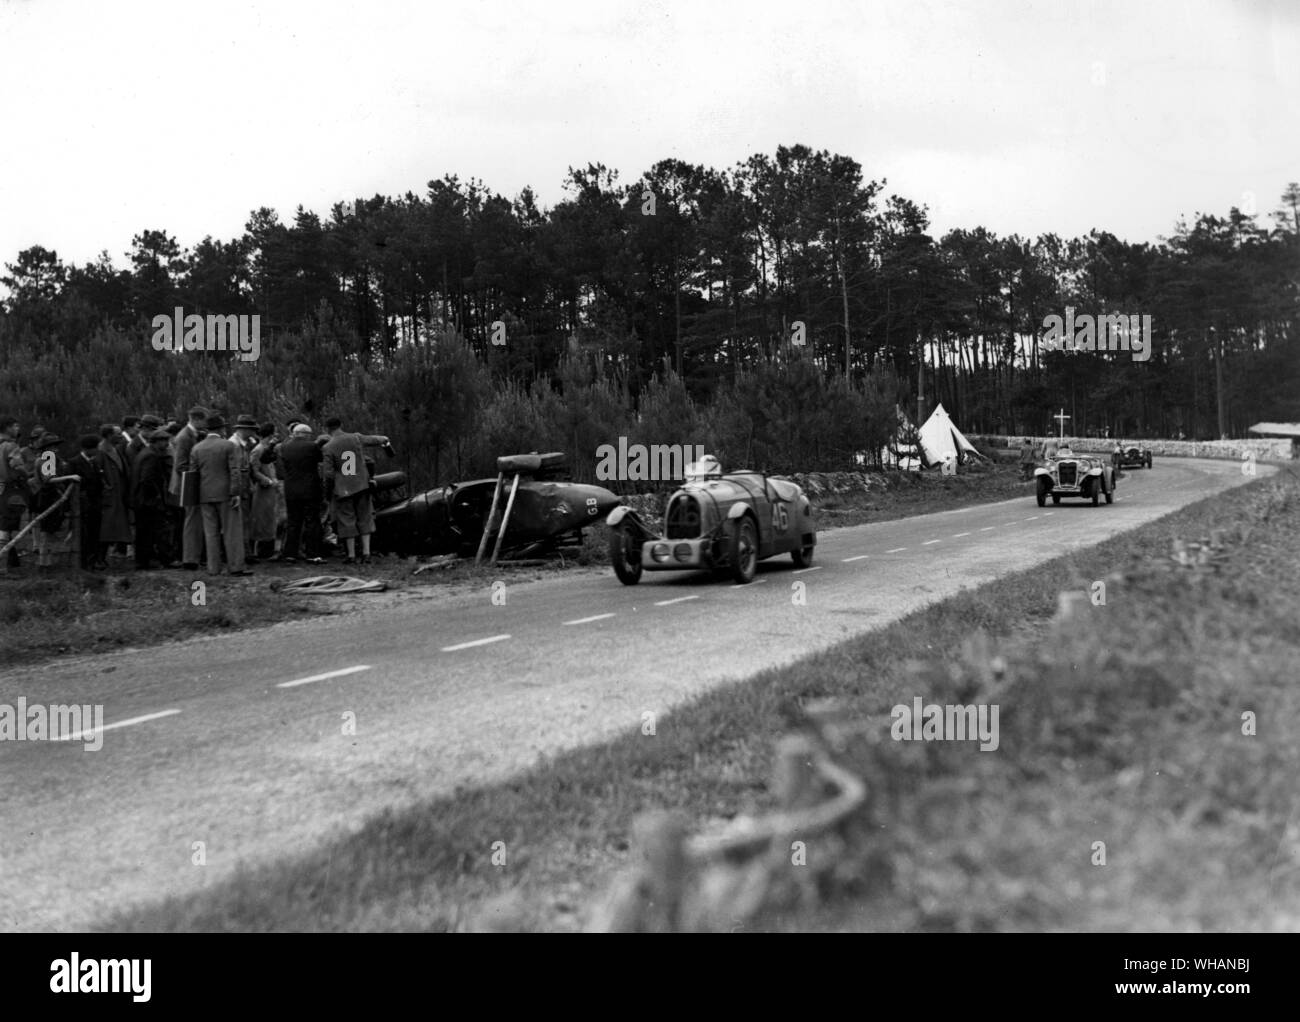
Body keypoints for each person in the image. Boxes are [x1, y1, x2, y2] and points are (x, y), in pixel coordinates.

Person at [321, 416, 389, 565]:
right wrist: (383, 439)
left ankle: (351, 555)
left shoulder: (328, 447)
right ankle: (367, 553)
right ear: (341, 425)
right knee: (365, 518)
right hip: (362, 484)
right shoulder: (355, 438)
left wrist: (328, 492)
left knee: (347, 521)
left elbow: (328, 474)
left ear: (328, 429)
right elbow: (372, 440)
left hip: (343, 488)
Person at [191, 414, 251, 576]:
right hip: (226, 494)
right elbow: (234, 471)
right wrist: (235, 493)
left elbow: (192, 474)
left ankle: (213, 568)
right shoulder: (227, 446)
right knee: (232, 531)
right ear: (221, 429)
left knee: (211, 533)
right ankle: (236, 566)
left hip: (205, 495)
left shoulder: (197, 448)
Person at [277, 422, 324, 563]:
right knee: (312, 521)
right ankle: (312, 554)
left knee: (293, 522)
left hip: (291, 489)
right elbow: (320, 459)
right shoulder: (312, 446)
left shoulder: (284, 447)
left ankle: (290, 553)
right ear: (306, 435)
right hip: (310, 489)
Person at [170, 406, 209, 569]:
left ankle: (191, 555)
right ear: (197, 419)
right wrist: (201, 474)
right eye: (204, 421)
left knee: (191, 522)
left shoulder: (192, 435)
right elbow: (180, 465)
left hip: (189, 484)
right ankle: (187, 557)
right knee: (189, 522)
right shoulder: (184, 437)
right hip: (185, 486)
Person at [132, 430, 174, 569]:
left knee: (143, 532)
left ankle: (143, 561)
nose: (167, 444)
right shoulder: (151, 456)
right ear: (157, 442)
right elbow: (147, 479)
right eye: (165, 441)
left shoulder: (144, 453)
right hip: (148, 501)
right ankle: (164, 560)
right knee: (157, 530)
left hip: (141, 500)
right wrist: (156, 497)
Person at [29, 433, 68, 572]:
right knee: (46, 531)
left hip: (49, 496)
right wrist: (70, 477)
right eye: (53, 446)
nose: (56, 449)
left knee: (49, 530)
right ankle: (44, 563)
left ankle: (46, 561)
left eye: (56, 446)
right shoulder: (47, 459)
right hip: (48, 497)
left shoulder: (49, 459)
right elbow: (48, 479)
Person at [96, 424, 132, 566]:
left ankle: (105, 558)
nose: (121, 436)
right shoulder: (102, 451)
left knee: (112, 528)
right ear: (109, 435)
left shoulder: (114, 449)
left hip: (118, 495)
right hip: (109, 497)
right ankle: (99, 559)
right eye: (117, 434)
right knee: (105, 529)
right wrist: (106, 488)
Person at [69, 434, 105, 570]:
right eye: (96, 448)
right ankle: (83, 563)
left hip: (95, 505)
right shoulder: (74, 463)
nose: (98, 451)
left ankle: (92, 561)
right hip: (83, 506)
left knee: (94, 534)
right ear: (88, 449)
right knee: (84, 535)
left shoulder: (94, 462)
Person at [248, 422, 281, 561]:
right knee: (260, 518)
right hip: (263, 489)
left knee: (268, 518)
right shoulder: (258, 449)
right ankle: (256, 550)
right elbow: (254, 470)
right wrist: (268, 481)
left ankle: (265, 548)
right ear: (271, 434)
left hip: (270, 489)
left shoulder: (267, 449)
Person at [0, 416, 28, 572]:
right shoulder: (11, 446)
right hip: (10, 488)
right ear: (7, 428)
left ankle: (10, 561)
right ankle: (3, 563)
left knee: (3, 525)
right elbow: (16, 466)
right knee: (7, 527)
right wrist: (26, 476)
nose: (18, 429)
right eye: (15, 426)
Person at [230, 415, 258, 562]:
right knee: (240, 521)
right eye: (251, 430)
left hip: (245, 487)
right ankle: (243, 552)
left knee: (246, 520)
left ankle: (246, 551)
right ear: (244, 430)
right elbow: (235, 469)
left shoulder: (245, 444)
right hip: (240, 487)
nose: (253, 433)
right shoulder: (234, 445)